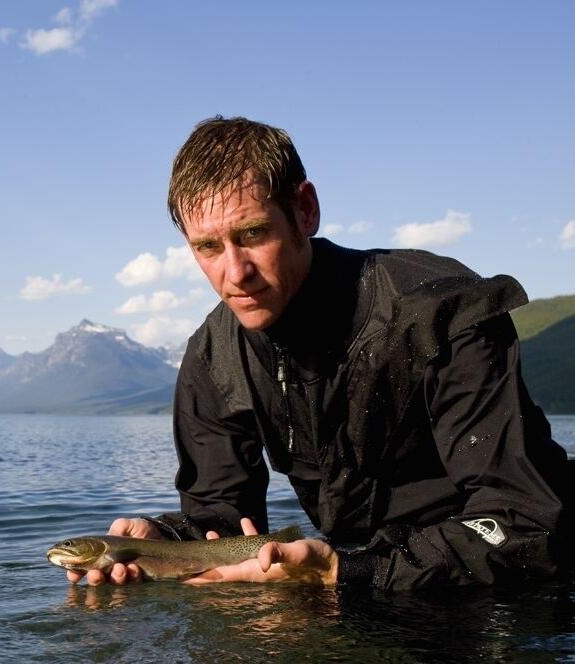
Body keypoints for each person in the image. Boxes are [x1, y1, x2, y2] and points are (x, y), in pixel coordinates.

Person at [68, 116, 573, 591]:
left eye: (253, 234)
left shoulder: (438, 312)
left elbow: (523, 523)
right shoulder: (213, 355)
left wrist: (343, 572)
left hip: (519, 586)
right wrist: (162, 544)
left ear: (305, 209)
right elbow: (220, 524)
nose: (235, 273)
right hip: (360, 580)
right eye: (207, 247)